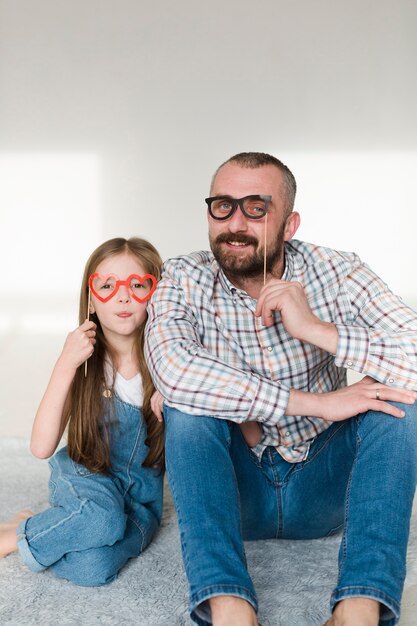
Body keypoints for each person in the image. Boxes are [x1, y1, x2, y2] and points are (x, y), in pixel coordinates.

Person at [145, 153, 417, 626]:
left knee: (400, 403)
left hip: (326, 486)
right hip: (235, 487)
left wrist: (318, 330)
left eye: (255, 208)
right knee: (184, 406)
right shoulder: (183, 277)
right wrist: (316, 403)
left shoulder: (338, 271)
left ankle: (359, 606)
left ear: (289, 224)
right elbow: (174, 371)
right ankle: (229, 605)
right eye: (222, 206)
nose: (235, 223)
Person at [0, 237, 165, 586]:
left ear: (157, 294)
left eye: (137, 285)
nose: (123, 296)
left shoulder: (167, 364)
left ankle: (33, 528)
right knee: (102, 520)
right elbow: (41, 447)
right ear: (91, 299)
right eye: (107, 286)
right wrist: (65, 363)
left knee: (93, 568)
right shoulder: (85, 362)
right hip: (84, 476)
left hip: (138, 504)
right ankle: (17, 535)